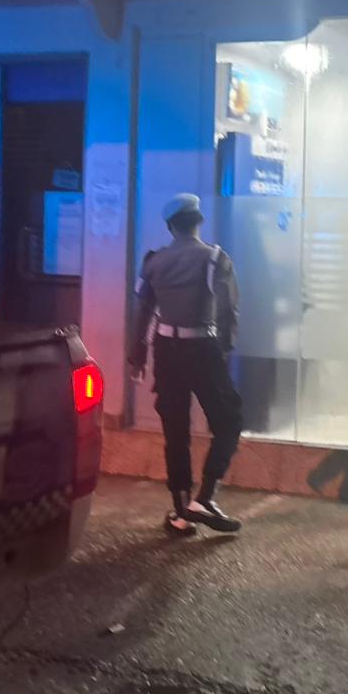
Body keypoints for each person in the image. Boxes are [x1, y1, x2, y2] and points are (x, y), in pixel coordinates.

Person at [129, 194, 244, 537]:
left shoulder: (153, 261)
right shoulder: (215, 258)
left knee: (175, 430)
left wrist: (137, 356)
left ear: (170, 227)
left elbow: (143, 312)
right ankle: (203, 498)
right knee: (229, 421)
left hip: (166, 350)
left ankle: (181, 513)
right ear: (199, 222)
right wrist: (224, 349)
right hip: (202, 348)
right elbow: (227, 310)